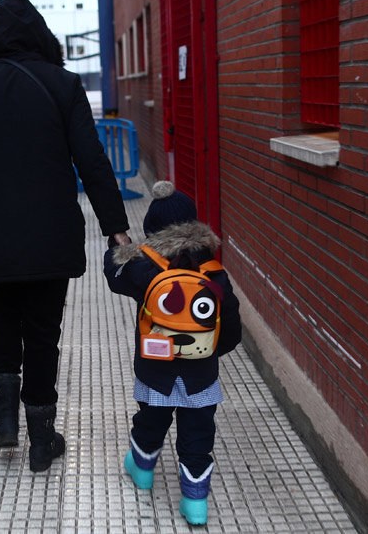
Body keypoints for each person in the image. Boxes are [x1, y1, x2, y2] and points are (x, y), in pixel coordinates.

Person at [0, 0, 130, 473]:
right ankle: (42, 438)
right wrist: (115, 227)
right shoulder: (63, 83)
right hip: (49, 233)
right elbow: (91, 159)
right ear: (41, 35)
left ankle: (5, 426)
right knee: (44, 331)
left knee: (2, 316)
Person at [103, 181, 242, 525]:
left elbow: (113, 275)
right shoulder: (214, 273)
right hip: (201, 376)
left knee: (151, 420)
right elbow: (232, 327)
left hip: (155, 371)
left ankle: (143, 469)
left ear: (152, 232)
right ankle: (195, 502)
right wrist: (210, 352)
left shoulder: (144, 269)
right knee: (198, 435)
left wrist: (117, 247)